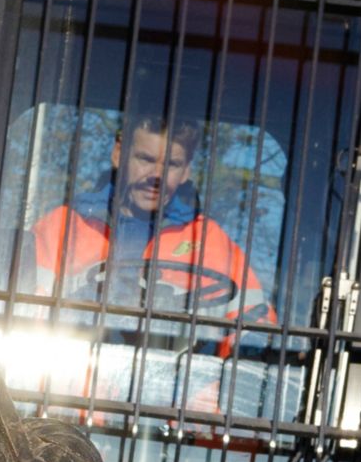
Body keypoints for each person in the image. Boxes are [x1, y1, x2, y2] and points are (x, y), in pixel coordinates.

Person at [23, 112, 274, 337]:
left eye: (172, 165)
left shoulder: (211, 243)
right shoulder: (63, 227)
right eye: (145, 159)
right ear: (119, 154)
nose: (156, 176)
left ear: (186, 170)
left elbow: (254, 333)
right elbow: (22, 316)